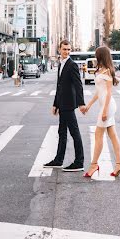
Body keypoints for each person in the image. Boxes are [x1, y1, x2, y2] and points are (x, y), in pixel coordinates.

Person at [44, 39, 86, 172]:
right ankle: (58, 160)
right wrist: (55, 104)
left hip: (69, 105)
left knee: (74, 133)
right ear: (59, 49)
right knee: (62, 132)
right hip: (62, 104)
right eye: (64, 49)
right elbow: (59, 86)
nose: (66, 52)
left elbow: (79, 85)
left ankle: (79, 162)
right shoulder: (61, 64)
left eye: (68, 49)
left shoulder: (72, 64)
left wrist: (81, 103)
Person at [82, 46, 120, 178]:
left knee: (98, 135)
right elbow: (99, 92)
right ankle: (119, 164)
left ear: (101, 56)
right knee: (112, 135)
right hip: (105, 106)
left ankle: (94, 164)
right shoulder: (100, 70)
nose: (95, 57)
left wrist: (105, 111)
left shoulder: (107, 71)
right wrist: (89, 105)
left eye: (97, 55)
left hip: (108, 106)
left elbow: (109, 93)